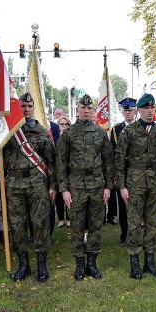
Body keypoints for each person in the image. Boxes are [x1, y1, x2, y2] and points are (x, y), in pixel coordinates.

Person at [0, 92, 57, 282]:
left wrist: (53, 186)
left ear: (33, 108)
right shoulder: (8, 131)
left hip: (37, 184)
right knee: (17, 225)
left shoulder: (42, 131)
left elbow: (51, 162)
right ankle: (23, 264)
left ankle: (41, 265)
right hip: (14, 185)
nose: (26, 109)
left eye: (29, 106)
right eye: (23, 106)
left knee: (40, 223)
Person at [57, 94, 115, 281]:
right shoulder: (68, 134)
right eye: (83, 108)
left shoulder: (100, 133)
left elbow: (108, 161)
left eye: (90, 108)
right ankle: (80, 264)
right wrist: (64, 189)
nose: (87, 111)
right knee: (77, 226)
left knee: (96, 225)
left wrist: (108, 186)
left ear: (93, 110)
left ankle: (92, 262)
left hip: (97, 186)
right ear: (77, 110)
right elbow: (61, 163)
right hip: (76, 187)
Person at [115, 94, 156, 279]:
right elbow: (120, 161)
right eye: (146, 108)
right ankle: (135, 263)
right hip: (135, 183)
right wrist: (122, 186)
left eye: (152, 108)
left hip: (154, 183)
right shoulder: (129, 132)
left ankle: (150, 262)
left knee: (153, 222)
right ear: (139, 111)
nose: (150, 111)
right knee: (134, 223)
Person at [109, 97, 137, 244]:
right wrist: (115, 174)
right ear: (122, 112)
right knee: (123, 203)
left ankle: (136, 233)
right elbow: (112, 153)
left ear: (135, 111)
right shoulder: (116, 130)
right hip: (122, 172)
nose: (128, 113)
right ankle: (125, 234)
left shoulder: (141, 127)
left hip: (138, 171)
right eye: (126, 110)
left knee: (137, 204)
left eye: (131, 110)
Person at [55, 115, 72, 228]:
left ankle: (70, 218)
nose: (64, 126)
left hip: (70, 170)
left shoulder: (71, 137)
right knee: (59, 196)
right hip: (58, 170)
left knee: (69, 194)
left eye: (66, 124)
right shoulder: (54, 137)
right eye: (62, 124)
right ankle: (61, 219)